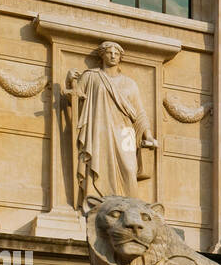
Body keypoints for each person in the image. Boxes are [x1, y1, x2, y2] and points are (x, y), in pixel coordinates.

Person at [66, 41, 156, 208]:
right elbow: (76, 96)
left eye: (116, 53)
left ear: (120, 57)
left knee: (129, 170)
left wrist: (148, 135)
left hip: (125, 133)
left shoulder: (130, 83)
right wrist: (71, 81)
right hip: (100, 131)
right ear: (102, 55)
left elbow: (140, 113)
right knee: (99, 165)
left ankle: (132, 211)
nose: (113, 55)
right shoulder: (91, 76)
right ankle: (100, 206)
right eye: (109, 52)